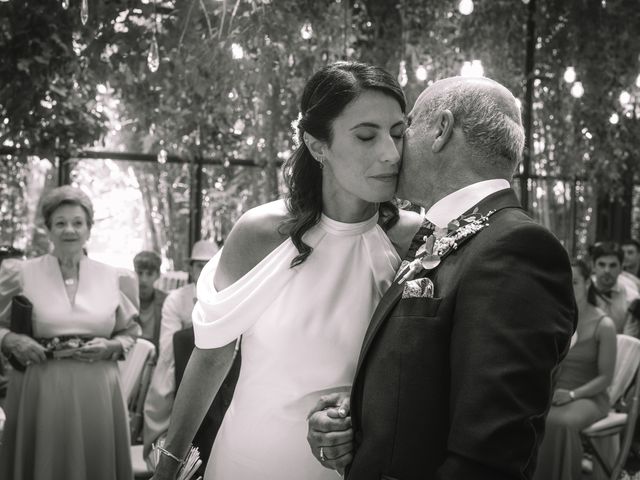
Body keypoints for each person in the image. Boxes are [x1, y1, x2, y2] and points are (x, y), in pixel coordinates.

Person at [151, 61, 421, 480]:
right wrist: (169, 465)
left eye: (398, 133)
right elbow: (212, 356)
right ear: (318, 146)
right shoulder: (260, 233)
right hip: (253, 459)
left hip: (362, 464)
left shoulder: (415, 240)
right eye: (367, 135)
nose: (391, 153)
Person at [307, 76, 577, 479]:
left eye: (405, 128)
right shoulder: (439, 235)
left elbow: (489, 455)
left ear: (441, 129)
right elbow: (430, 385)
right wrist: (357, 413)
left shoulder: (517, 247)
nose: (393, 150)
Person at [0, 185, 141, 480]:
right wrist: (11, 339)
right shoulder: (19, 273)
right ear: (48, 229)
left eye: (78, 223)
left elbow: (130, 331)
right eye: (60, 223)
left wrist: (112, 345)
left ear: (89, 229)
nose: (70, 230)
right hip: (39, 388)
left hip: (98, 391)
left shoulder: (116, 277)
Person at [533, 259, 616, 480]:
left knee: (559, 422)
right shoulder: (557, 318)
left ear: (588, 282)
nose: (569, 288)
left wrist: (571, 395)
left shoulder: (604, 325)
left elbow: (606, 378)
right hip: (557, 393)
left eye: (576, 282)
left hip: (589, 396)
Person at [143, 240, 220, 459]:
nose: (205, 271)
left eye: (211, 264)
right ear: (190, 268)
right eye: (199, 265)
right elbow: (169, 350)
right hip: (179, 369)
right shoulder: (176, 300)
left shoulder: (228, 299)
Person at [589, 241, 640, 334]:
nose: (607, 270)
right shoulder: (580, 291)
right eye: (602, 264)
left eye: (612, 265)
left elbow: (629, 341)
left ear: (621, 268)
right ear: (593, 266)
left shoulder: (632, 298)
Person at [133, 250, 167, 350]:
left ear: (158, 275)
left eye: (149, 274)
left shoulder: (166, 302)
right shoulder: (126, 299)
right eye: (140, 273)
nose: (144, 279)